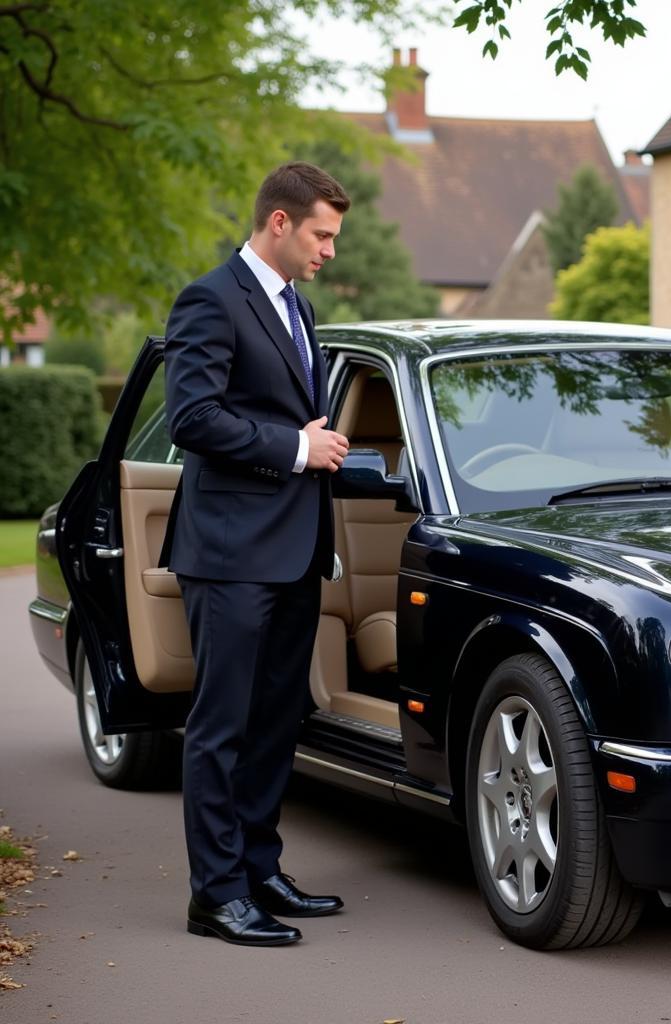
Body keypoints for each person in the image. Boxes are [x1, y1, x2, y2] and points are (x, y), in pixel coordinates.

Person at [162, 162, 351, 947]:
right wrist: (296, 448)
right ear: (279, 222)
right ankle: (215, 895)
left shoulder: (298, 309)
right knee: (222, 726)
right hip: (231, 554)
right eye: (321, 234)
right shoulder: (211, 299)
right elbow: (192, 417)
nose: (329, 251)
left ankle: (259, 869)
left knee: (276, 723)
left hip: (293, 554)